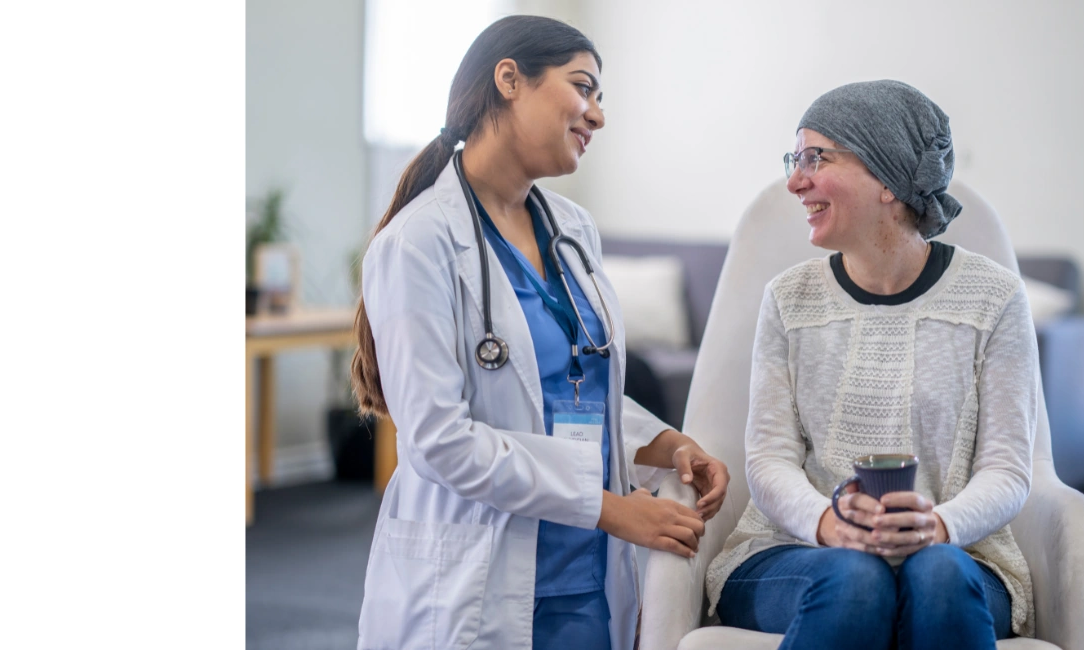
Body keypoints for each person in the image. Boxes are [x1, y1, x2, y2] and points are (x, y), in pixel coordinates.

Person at [350, 16, 730, 650]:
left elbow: (572, 388)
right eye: (584, 88)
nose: (598, 115)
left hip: (583, 574)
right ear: (509, 80)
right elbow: (439, 442)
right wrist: (612, 508)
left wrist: (667, 442)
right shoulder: (418, 243)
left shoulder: (573, 229)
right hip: (476, 580)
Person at [706, 80, 1038, 650]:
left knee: (933, 570)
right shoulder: (789, 299)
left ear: (886, 179)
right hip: (795, 552)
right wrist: (828, 525)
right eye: (796, 159)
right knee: (857, 579)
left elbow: (1008, 469)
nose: (794, 180)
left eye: (816, 158)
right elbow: (769, 459)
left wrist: (938, 527)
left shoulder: (994, 298)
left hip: (960, 556)